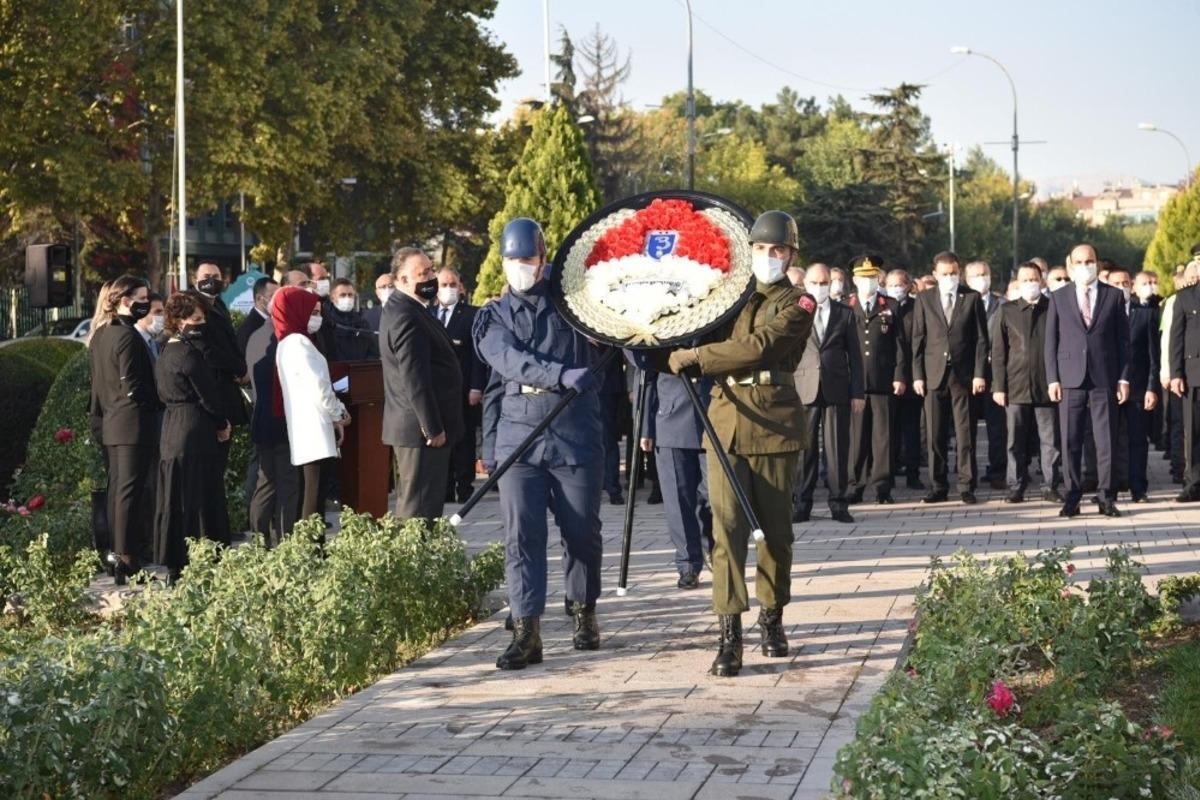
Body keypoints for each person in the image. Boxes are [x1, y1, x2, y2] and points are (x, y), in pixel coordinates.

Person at [662, 210, 813, 678]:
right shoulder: (724, 297)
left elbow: (761, 346)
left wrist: (697, 357)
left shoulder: (798, 301)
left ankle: (772, 618)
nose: (768, 257)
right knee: (725, 533)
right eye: (762, 250)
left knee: (775, 534)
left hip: (773, 425)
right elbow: (685, 323)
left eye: (777, 250)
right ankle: (729, 635)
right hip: (726, 422)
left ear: (790, 254)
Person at [474, 218, 606, 670]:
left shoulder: (576, 305)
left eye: (528, 259)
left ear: (544, 260)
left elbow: (616, 335)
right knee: (521, 537)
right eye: (513, 260)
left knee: (581, 533)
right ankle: (526, 629)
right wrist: (558, 374)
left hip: (575, 434)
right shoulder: (491, 316)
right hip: (520, 437)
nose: (521, 268)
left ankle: (583, 611)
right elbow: (506, 361)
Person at [1045, 244, 1131, 518]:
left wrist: (1123, 379)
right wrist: (1052, 379)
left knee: (1105, 441)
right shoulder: (1058, 297)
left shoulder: (1114, 296)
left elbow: (1123, 342)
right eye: (1079, 262)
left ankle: (1106, 496)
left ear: (1097, 263)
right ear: (1070, 265)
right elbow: (1051, 342)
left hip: (1104, 378)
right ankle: (1072, 496)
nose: (1085, 266)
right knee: (1070, 441)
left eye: (1090, 261)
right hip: (1070, 378)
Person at [154, 291, 232, 584]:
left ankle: (176, 564)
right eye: (196, 319)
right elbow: (208, 396)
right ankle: (204, 559)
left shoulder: (165, 352)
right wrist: (222, 423)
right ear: (179, 320)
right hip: (196, 430)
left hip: (171, 430)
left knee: (175, 498)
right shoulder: (189, 354)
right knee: (202, 496)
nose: (201, 324)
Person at [380, 248, 463, 521]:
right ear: (402, 280)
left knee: (426, 506)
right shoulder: (405, 314)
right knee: (418, 509)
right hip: (421, 432)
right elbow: (414, 377)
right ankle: (413, 563)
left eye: (431, 270)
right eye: (422, 273)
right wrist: (432, 426)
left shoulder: (414, 308)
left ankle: (422, 560)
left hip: (423, 429)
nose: (430, 277)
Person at [88, 275, 161, 584]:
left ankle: (120, 558)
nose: (145, 302)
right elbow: (133, 387)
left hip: (111, 425)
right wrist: (156, 402)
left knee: (119, 492)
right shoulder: (127, 336)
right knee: (128, 494)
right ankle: (126, 560)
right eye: (141, 297)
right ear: (124, 300)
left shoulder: (101, 334)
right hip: (132, 425)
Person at [911, 251, 990, 505]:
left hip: (963, 375)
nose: (949, 278)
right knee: (935, 434)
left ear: (959, 272)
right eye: (944, 274)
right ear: (935, 274)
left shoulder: (971, 298)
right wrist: (917, 375)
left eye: (953, 273)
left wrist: (979, 373)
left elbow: (980, 340)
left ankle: (966, 485)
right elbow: (918, 340)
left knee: (965, 434)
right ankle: (938, 485)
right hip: (933, 375)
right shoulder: (924, 299)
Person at [272, 286, 351, 522]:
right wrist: (338, 413)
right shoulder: (299, 343)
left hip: (306, 426)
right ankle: (312, 548)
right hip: (314, 427)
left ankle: (310, 546)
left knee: (310, 493)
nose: (317, 318)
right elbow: (320, 387)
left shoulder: (288, 342)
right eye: (312, 312)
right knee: (313, 496)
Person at [794, 263, 863, 523]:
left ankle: (839, 503)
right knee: (805, 449)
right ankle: (802, 502)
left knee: (837, 449)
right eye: (815, 283)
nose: (820, 287)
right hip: (804, 387)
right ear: (805, 285)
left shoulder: (844, 313)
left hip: (836, 387)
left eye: (825, 283)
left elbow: (855, 356)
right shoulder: (797, 311)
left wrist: (858, 392)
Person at [991, 263, 1061, 502]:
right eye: (1025, 279)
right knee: (1015, 440)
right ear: (1018, 283)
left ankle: (1050, 485)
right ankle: (1015, 485)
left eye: (1034, 279)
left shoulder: (1053, 309)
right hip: (1015, 385)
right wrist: (998, 386)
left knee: (1050, 439)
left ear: (1042, 281)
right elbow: (998, 353)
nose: (1030, 283)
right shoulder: (1007, 310)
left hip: (1046, 385)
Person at [639, 367, 714, 590]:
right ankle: (688, 564)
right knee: (678, 500)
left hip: (713, 409)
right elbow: (646, 373)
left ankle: (715, 550)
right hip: (671, 415)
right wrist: (645, 427)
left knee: (716, 497)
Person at [847, 256, 907, 505]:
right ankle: (854, 485)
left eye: (872, 277)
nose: (868, 282)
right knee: (857, 437)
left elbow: (900, 345)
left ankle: (883, 486)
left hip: (883, 380)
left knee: (883, 437)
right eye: (863, 278)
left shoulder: (890, 305)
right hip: (856, 384)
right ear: (854, 280)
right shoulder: (847, 306)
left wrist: (899, 375)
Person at [192, 263, 249, 525]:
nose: (211, 281)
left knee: (217, 473)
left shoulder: (220, 305)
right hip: (212, 395)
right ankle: (209, 532)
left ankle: (218, 529)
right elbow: (208, 351)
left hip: (226, 392)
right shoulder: (195, 307)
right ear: (195, 279)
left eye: (216, 276)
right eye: (206, 277)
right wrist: (236, 368)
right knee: (208, 474)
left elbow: (230, 343)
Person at [432, 267, 486, 503]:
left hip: (465, 391)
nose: (448, 289)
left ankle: (464, 487)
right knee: (443, 441)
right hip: (437, 392)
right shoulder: (428, 313)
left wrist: (477, 386)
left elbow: (477, 355)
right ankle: (444, 488)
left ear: (461, 287)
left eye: (452, 284)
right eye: (443, 284)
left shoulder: (471, 315)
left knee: (464, 441)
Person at [1110, 269, 1159, 503]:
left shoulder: (1145, 315)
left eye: (1126, 283)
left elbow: (1153, 357)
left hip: (1139, 388)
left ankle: (1138, 488)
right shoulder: (1100, 315)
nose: (1122, 287)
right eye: (1116, 283)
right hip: (1108, 388)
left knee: (1138, 440)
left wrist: (1152, 388)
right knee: (1108, 440)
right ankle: (1110, 488)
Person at [965, 260, 1008, 489]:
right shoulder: (962, 302)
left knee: (997, 426)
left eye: (985, 274)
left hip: (994, 373)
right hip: (968, 373)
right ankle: (968, 472)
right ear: (967, 279)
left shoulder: (1002, 304)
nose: (982, 278)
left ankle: (997, 471)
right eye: (976, 275)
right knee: (967, 426)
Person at [886, 269, 923, 489]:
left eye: (900, 284)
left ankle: (913, 473)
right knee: (889, 431)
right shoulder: (883, 307)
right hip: (886, 378)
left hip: (911, 377)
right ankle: (888, 472)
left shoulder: (918, 308)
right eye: (891, 285)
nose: (896, 289)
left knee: (911, 430)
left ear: (909, 285)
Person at [1169, 248, 1200, 502]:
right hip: (1195, 373)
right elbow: (1175, 338)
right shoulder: (1185, 297)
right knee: (1194, 431)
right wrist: (1176, 373)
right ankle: (1194, 483)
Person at [327, 278, 379, 361]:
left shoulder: (361, 322)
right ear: (332, 298)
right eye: (343, 295)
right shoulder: (327, 322)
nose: (347, 298)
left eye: (350, 295)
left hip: (361, 370)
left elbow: (372, 350)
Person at [236, 277, 278, 354]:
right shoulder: (249, 329)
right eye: (272, 296)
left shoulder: (274, 321)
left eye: (279, 296)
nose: (277, 300)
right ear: (259, 298)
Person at [134, 293, 166, 362]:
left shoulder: (154, 343)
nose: (162, 316)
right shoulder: (132, 340)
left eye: (163, 312)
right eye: (157, 312)